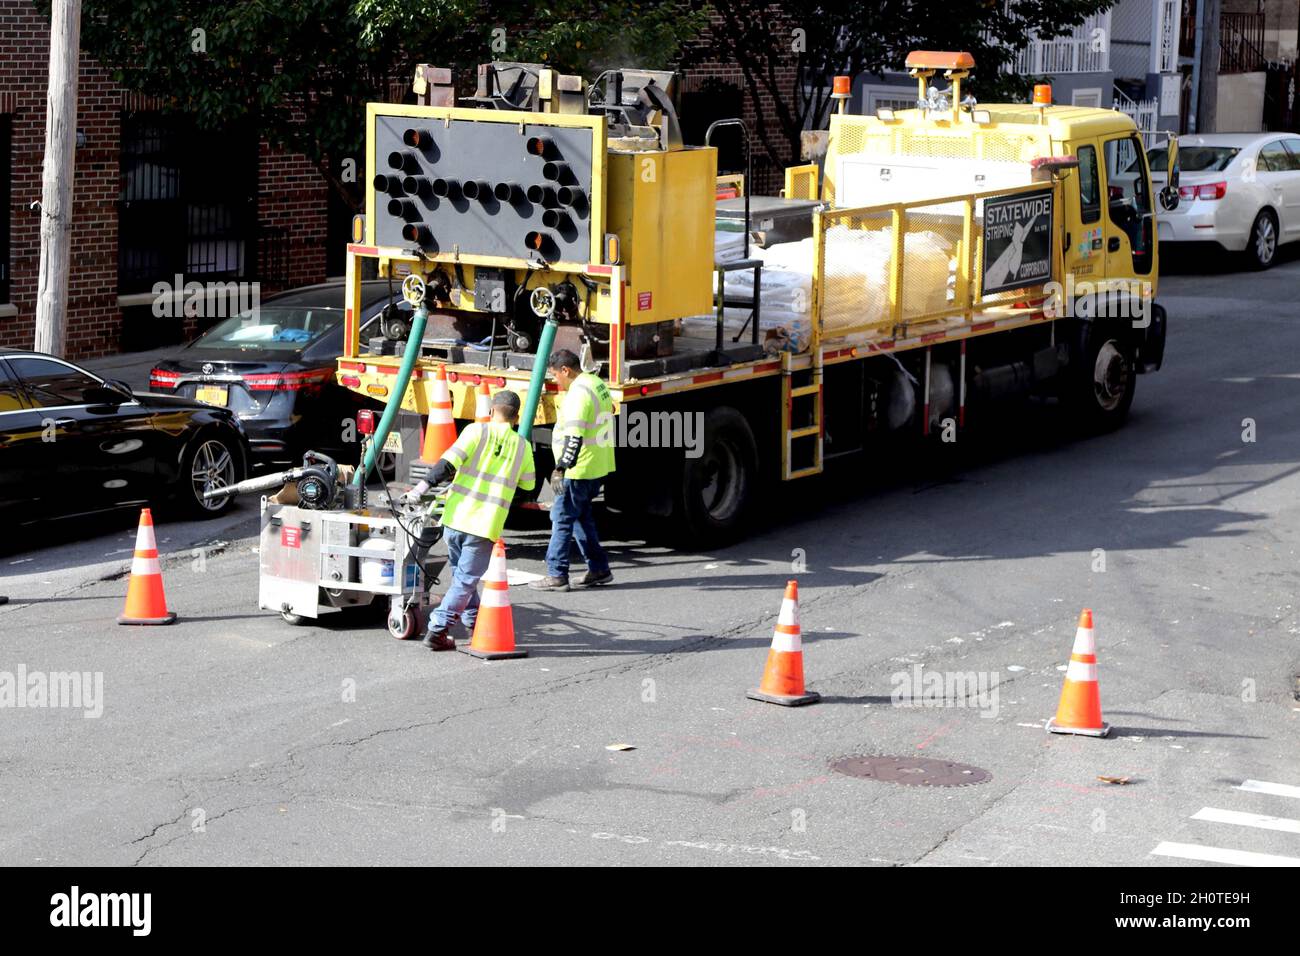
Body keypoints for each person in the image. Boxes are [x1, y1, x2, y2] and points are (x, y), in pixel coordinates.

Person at [420, 390, 535, 650]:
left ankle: (473, 623)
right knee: (465, 581)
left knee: (463, 578)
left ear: (492, 411)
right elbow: (528, 487)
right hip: (484, 525)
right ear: (516, 418)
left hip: (454, 518)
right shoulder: (523, 446)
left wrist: (422, 486)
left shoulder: (475, 431)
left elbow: (446, 464)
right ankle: (437, 630)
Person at [531, 349, 614, 592]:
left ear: (566, 370)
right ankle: (599, 569)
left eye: (556, 375)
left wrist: (560, 468)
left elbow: (574, 437)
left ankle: (556, 574)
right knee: (580, 515)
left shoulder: (578, 394)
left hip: (579, 469)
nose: (556, 380)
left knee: (561, 517)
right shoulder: (595, 382)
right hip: (597, 464)